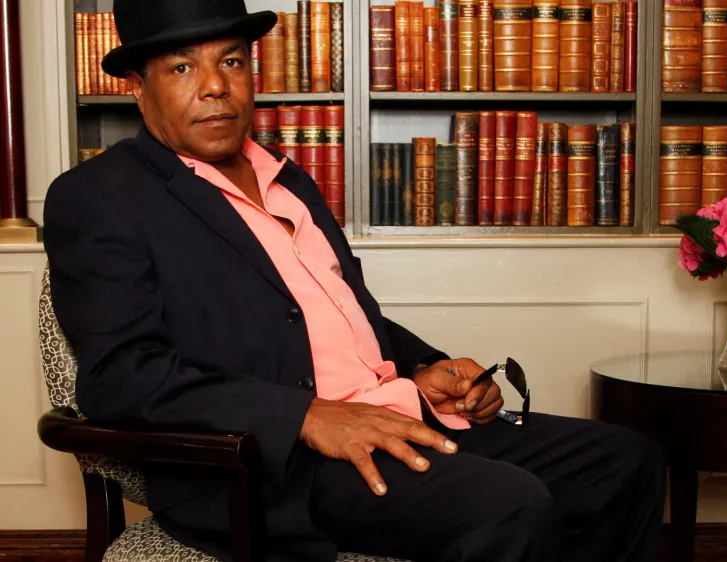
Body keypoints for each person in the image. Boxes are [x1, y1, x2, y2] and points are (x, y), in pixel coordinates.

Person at [43, 1, 666, 560]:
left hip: (394, 413)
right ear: (136, 87)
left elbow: (336, 308)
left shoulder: (289, 178)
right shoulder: (99, 198)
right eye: (182, 68)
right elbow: (122, 376)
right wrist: (307, 416)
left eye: (231, 61)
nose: (215, 87)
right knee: (509, 504)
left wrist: (428, 366)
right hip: (271, 463)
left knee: (625, 462)